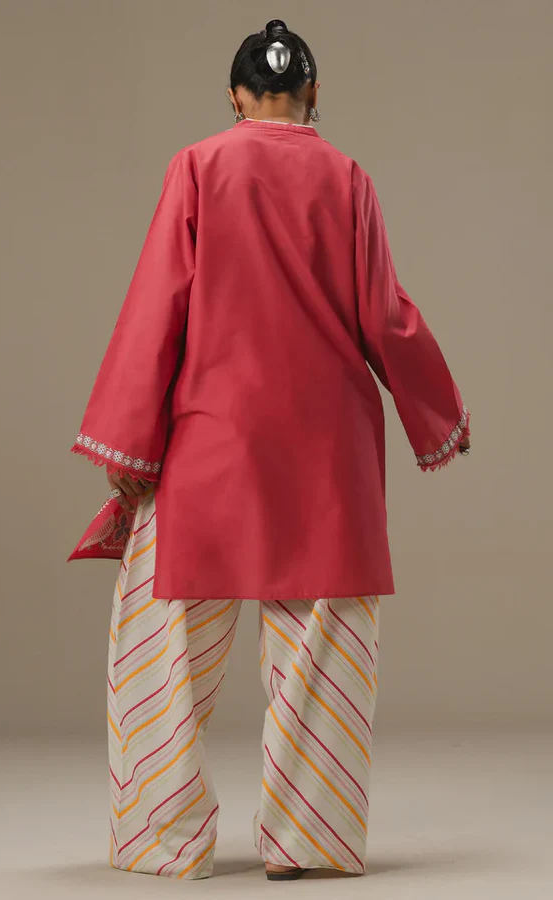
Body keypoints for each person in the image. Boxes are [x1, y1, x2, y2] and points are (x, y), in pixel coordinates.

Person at [70, 18, 470, 882]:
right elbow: (385, 315)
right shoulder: (347, 177)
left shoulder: (198, 166)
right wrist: (439, 415)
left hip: (213, 442)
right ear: (314, 94)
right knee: (323, 654)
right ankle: (310, 842)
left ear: (235, 96)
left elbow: (158, 304)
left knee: (159, 652)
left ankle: (163, 841)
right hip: (328, 453)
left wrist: (128, 442)